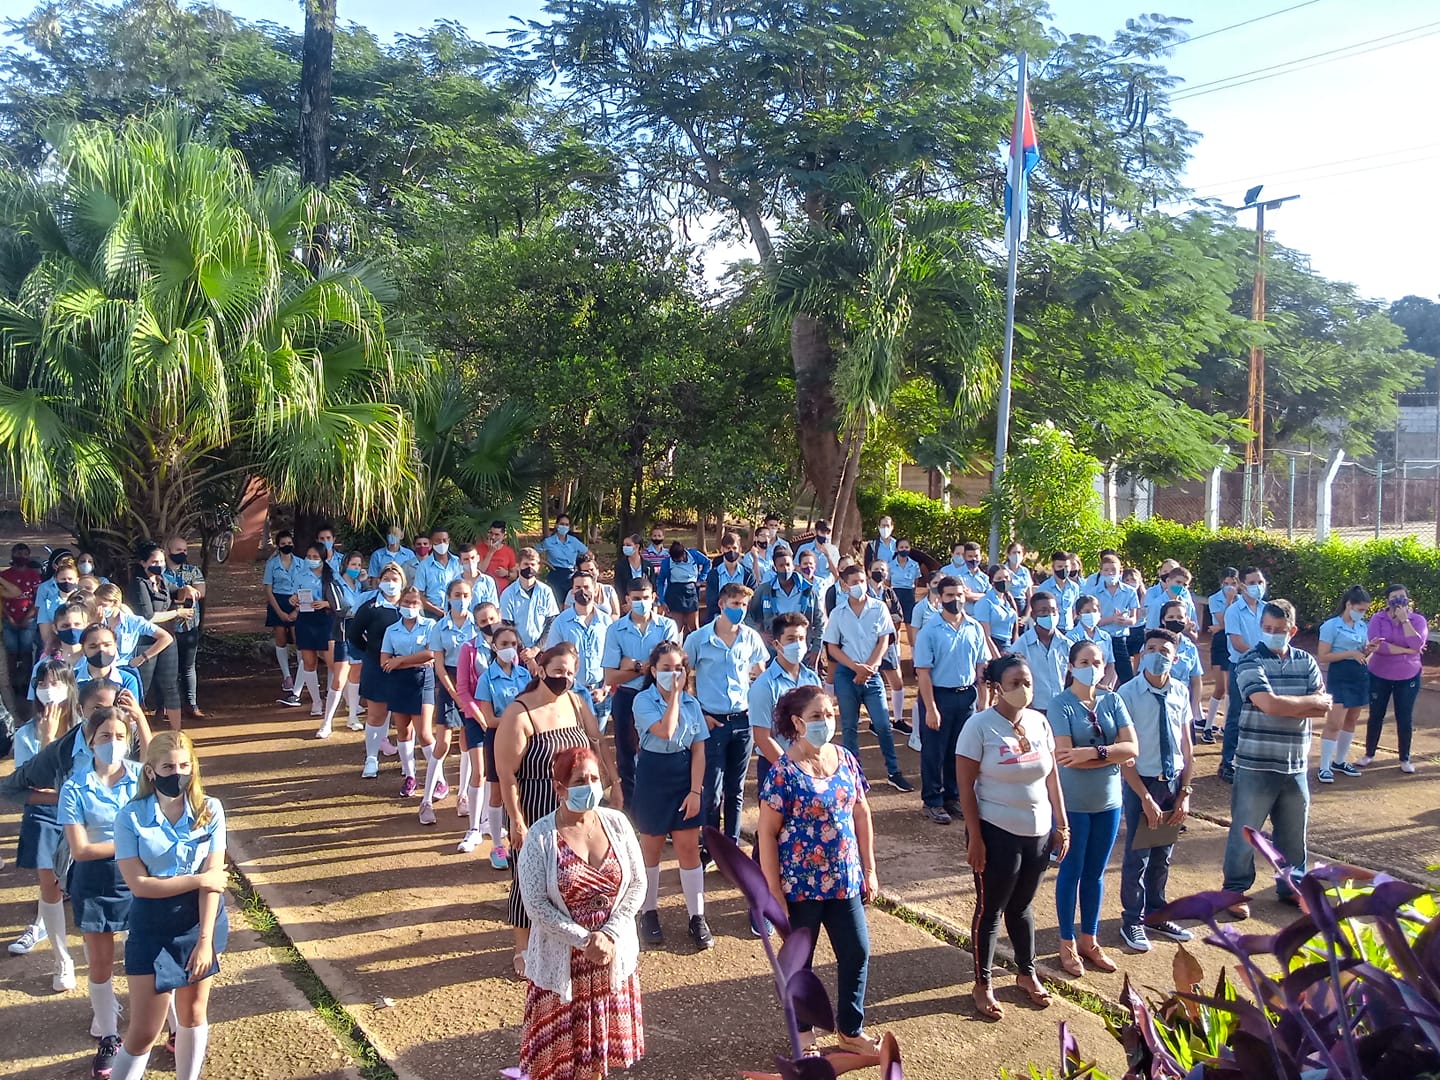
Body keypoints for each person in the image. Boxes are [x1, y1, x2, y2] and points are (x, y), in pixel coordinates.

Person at [758, 684, 880, 1055]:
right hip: (800, 887)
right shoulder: (784, 772)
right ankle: (804, 1035)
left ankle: (850, 1028)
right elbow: (766, 832)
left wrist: (869, 869)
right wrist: (774, 891)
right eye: (816, 717)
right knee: (801, 965)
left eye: (829, 714)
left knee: (857, 952)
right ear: (797, 722)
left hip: (844, 881)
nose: (825, 722)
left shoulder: (844, 758)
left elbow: (861, 812)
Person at [517, 745, 645, 1080]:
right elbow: (536, 904)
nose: (589, 786)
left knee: (597, 1064)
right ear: (559, 789)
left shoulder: (617, 824)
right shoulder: (540, 837)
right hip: (564, 965)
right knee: (560, 1064)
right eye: (579, 780)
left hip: (608, 958)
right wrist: (586, 939)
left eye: (593, 778)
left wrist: (610, 935)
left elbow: (637, 885)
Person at [108, 731, 229, 1080]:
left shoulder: (210, 810)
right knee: (145, 1030)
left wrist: (205, 941)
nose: (176, 773)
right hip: (153, 923)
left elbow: (214, 882)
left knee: (192, 1013)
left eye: (183, 765)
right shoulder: (129, 817)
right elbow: (139, 885)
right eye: (167, 766)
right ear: (150, 772)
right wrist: (198, 880)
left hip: (199, 921)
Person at [956, 654, 1069, 1021]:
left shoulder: (1039, 722)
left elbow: (1051, 777)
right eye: (1015, 683)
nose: (1024, 689)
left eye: (1028, 682)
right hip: (997, 831)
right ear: (997, 687)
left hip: (1037, 831)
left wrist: (1061, 825)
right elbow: (966, 788)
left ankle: (1026, 971)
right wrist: (975, 837)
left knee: (1022, 906)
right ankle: (983, 983)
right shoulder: (979, 727)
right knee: (991, 910)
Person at [494, 642, 612, 974]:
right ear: (542, 669)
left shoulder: (575, 703)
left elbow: (596, 742)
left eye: (570, 673)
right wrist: (516, 819)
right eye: (558, 671)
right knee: (527, 877)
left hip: (574, 806)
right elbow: (506, 772)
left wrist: (610, 781)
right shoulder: (520, 713)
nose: (564, 678)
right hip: (535, 803)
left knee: (570, 875)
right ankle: (522, 946)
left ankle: (567, 937)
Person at [1222, 600, 1329, 919]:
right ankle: (1234, 890)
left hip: (1295, 764)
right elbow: (1267, 704)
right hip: (1255, 763)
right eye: (1267, 629)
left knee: (1295, 834)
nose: (1272, 634)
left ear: (1292, 631)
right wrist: (1304, 703)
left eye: (1279, 631)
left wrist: (1288, 704)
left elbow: (1323, 707)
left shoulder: (1306, 661)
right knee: (1245, 831)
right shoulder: (1249, 661)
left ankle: (1293, 887)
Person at [59, 705, 148, 1077]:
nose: (113, 743)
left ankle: (167, 1024)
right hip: (95, 881)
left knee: (149, 957)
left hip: (141, 878)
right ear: (90, 740)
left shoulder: (144, 778)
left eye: (119, 737)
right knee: (100, 964)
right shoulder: (74, 786)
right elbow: (80, 850)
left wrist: (140, 718)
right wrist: (132, 841)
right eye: (105, 736)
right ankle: (109, 1036)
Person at [1051, 639, 1135, 977]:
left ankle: (1090, 938)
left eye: (1097, 661)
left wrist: (1093, 753)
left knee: (1096, 874)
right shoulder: (1061, 705)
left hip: (1109, 802)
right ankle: (1066, 942)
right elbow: (1066, 757)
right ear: (1071, 666)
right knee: (1071, 872)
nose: (1092, 667)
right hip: (1074, 804)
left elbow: (1133, 748)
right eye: (1085, 661)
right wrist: (1109, 753)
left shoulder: (1113, 700)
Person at [1114, 629, 1196, 953]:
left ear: (1175, 658)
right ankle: (1132, 920)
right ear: (1141, 654)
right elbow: (1124, 753)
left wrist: (1185, 791)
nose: (1157, 654)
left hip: (1172, 782)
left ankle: (1156, 912)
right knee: (1139, 856)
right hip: (1142, 783)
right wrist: (1145, 798)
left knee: (1163, 854)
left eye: (1165, 650)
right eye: (1151, 649)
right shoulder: (1128, 693)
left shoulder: (1180, 691)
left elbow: (1186, 745)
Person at [630, 641, 712, 949]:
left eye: (679, 668)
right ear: (653, 671)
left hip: (683, 773)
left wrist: (695, 790)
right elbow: (665, 730)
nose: (673, 674)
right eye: (666, 669)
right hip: (653, 775)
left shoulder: (692, 703)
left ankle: (697, 917)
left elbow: (700, 747)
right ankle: (648, 911)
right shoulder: (642, 700)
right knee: (650, 848)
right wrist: (675, 695)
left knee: (688, 848)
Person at [6, 660, 83, 984]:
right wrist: (47, 742)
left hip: (86, 815)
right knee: (49, 886)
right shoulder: (26, 735)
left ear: (69, 686)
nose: (48, 690)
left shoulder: (87, 728)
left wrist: (68, 794)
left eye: (55, 682)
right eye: (42, 683)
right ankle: (61, 959)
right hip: (45, 817)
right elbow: (27, 788)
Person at [685, 582, 767, 849]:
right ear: (721, 605)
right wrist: (699, 714)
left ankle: (730, 847)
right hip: (713, 722)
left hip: (743, 721)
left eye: (743, 605)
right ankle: (710, 846)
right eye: (735, 605)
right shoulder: (698, 639)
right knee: (713, 790)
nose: (739, 610)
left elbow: (760, 673)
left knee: (736, 789)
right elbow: (684, 678)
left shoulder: (750, 637)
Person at [822, 565, 913, 793]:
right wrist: (855, 667)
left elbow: (885, 639)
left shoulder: (879, 608)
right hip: (847, 674)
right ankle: (855, 774)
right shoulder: (838, 613)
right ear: (844, 585)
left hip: (872, 675)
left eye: (861, 580)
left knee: (883, 724)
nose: (859, 585)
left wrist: (871, 666)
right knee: (850, 727)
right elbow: (832, 647)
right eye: (853, 582)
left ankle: (894, 771)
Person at [912, 576, 987, 826]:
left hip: (966, 696)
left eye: (959, 595)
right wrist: (931, 708)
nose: (955, 600)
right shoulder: (929, 632)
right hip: (938, 695)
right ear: (939, 598)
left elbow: (981, 667)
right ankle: (932, 801)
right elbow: (923, 673)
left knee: (960, 750)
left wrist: (982, 702)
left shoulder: (974, 627)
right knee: (934, 751)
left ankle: (952, 797)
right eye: (949, 596)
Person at [602, 578, 682, 809]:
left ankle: (662, 806)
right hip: (626, 697)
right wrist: (644, 667)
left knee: (663, 750)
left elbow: (670, 667)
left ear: (653, 598)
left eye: (645, 598)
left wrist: (630, 665)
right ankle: (632, 811)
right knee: (627, 755)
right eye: (636, 599)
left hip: (659, 697)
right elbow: (610, 677)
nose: (641, 602)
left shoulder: (667, 626)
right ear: (627, 600)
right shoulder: (615, 629)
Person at [458, 623, 527, 862]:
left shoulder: (525, 675)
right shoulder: (486, 679)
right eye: (504, 644)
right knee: (496, 793)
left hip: (524, 740)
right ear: (494, 647)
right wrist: (516, 720)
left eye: (513, 644)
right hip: (497, 739)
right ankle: (497, 845)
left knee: (523, 791)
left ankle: (523, 842)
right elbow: (489, 719)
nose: (509, 648)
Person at [424, 578, 480, 825]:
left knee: (468, 742)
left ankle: (463, 794)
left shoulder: (476, 626)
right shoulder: (439, 628)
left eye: (466, 594)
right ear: (448, 597)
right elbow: (439, 665)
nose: (462, 599)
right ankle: (425, 800)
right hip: (450, 684)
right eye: (457, 594)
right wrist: (455, 693)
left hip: (473, 684)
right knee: (443, 743)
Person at [749, 614, 824, 799]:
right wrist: (790, 771)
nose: (797, 644)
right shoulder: (764, 686)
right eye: (791, 639)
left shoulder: (812, 679)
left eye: (801, 638)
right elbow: (762, 738)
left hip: (811, 764)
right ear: (776, 644)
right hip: (775, 766)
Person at [1359, 583, 1428, 773]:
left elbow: (1418, 642)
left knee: (1404, 717)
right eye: (1394, 597)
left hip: (1408, 675)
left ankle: (1404, 758)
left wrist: (1405, 621)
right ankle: (1369, 754)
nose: (1398, 601)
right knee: (1376, 715)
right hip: (1379, 673)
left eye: (1402, 596)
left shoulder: (1417, 620)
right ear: (1387, 600)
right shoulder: (1378, 618)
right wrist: (1408, 650)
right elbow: (1380, 646)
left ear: (1408, 599)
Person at [348, 562, 404, 780]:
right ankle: (371, 758)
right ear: (380, 581)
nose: (391, 584)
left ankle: (407, 764)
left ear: (403, 582)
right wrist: (372, 653)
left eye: (395, 579)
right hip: (376, 667)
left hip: (406, 669)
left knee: (404, 717)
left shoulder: (410, 604)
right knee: (376, 714)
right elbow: (354, 635)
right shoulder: (370, 607)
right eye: (387, 579)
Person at [380, 586, 437, 803]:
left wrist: (400, 660)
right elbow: (384, 662)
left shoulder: (430, 625)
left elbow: (431, 653)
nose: (410, 607)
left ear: (421, 605)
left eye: (414, 603)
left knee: (424, 733)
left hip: (423, 681)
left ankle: (438, 778)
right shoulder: (392, 630)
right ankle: (410, 775)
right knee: (403, 731)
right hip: (399, 682)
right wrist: (414, 660)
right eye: (406, 603)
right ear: (399, 604)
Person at [1313, 586, 1373, 783]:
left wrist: (1369, 649)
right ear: (1349, 604)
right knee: (1334, 722)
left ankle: (1340, 761)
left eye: (1365, 611)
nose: (1362, 614)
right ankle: (1324, 766)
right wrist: (1350, 653)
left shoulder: (1362, 626)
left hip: (1359, 675)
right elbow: (1323, 657)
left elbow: (1362, 654)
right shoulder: (1331, 626)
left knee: (1352, 719)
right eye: (1360, 609)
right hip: (1340, 675)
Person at [126, 544, 186, 730]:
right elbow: (149, 616)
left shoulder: (161, 580)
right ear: (143, 563)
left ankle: (177, 732)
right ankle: (136, 732)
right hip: (146, 643)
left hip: (168, 640)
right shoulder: (139, 584)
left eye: (161, 561)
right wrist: (178, 613)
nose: (158, 565)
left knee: (170, 685)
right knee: (142, 687)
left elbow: (177, 591)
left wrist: (188, 590)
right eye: (154, 562)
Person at [545, 570, 614, 731]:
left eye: (586, 587)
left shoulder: (606, 621)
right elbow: (551, 658)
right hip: (572, 691)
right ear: (572, 591)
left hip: (600, 692)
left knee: (598, 743)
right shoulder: (560, 622)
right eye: (577, 587)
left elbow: (613, 658)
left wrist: (604, 689)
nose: (582, 591)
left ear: (595, 589)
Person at [279, 542, 341, 716]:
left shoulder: (332, 575)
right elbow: (295, 595)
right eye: (309, 557)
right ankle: (316, 702)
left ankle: (336, 697)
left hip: (326, 619)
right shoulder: (300, 575)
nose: (311, 560)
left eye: (315, 557)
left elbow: (341, 600)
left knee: (332, 662)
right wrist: (294, 600)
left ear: (323, 559)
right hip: (306, 620)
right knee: (308, 662)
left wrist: (326, 603)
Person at [1219, 567, 1269, 780]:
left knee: (1263, 713)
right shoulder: (1234, 611)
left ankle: (1255, 759)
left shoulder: (1268, 609)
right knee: (1236, 715)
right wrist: (1260, 654)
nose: (1258, 586)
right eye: (1252, 582)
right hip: (1241, 667)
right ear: (1242, 585)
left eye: (1260, 581)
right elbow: (1237, 642)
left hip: (1265, 667)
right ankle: (1227, 761)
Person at [317, 552, 370, 738]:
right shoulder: (334, 584)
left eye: (359, 565)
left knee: (356, 676)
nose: (356, 568)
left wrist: (364, 584)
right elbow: (340, 609)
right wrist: (360, 610)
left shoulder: (360, 586)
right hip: (344, 635)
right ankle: (326, 723)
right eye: (353, 564)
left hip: (360, 636)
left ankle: (353, 716)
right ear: (345, 565)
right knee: (339, 679)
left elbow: (368, 603)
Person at [864, 560, 912, 737]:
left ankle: (898, 719)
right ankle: (874, 721)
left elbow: (899, 615)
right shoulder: (864, 592)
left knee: (897, 682)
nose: (879, 573)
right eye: (875, 569)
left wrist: (885, 620)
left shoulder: (890, 593)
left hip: (889, 642)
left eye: (882, 570)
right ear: (868, 572)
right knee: (871, 683)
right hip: (867, 645)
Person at [160, 537, 206, 721]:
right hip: (165, 628)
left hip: (188, 626)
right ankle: (163, 706)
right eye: (179, 550)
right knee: (165, 669)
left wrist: (177, 596)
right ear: (167, 550)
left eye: (185, 550)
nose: (183, 553)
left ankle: (191, 704)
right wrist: (183, 594)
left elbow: (200, 592)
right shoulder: (159, 572)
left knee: (188, 667)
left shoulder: (193, 571)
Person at [746, 546, 820, 655]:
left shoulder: (807, 591)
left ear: (794, 566)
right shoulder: (765, 590)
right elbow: (748, 616)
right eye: (781, 565)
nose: (786, 569)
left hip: (801, 649)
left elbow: (819, 621)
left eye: (788, 565)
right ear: (774, 567)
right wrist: (759, 633)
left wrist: (816, 648)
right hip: (772, 650)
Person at [1080, 552, 1140, 685]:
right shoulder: (1094, 593)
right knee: (1098, 674)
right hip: (1100, 638)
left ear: (1120, 571)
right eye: (1106, 570)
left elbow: (1134, 618)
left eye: (1114, 570)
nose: (1110, 573)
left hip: (1119, 638)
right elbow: (1093, 621)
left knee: (1126, 676)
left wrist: (1126, 621)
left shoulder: (1129, 592)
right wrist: (1112, 619)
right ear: (1101, 572)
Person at [1010, 592, 1069, 715]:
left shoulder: (1068, 645)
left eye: (1053, 611)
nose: (1050, 615)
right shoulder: (1021, 647)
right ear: (1033, 615)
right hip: (1034, 709)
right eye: (1043, 611)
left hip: (1063, 708)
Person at [1201, 568, 1239, 742]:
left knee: (1232, 687)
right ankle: (1208, 727)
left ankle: (1226, 726)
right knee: (1220, 687)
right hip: (1221, 642)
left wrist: (1221, 626)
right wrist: (1229, 601)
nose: (1230, 587)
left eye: (1233, 583)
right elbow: (1226, 620)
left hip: (1235, 641)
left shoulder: (1244, 599)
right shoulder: (1214, 598)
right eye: (1226, 583)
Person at [499, 548, 561, 655]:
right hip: (517, 651)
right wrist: (524, 651)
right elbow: (507, 625)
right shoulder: (508, 594)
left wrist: (536, 649)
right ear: (518, 566)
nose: (529, 568)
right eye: (526, 564)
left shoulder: (546, 591)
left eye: (533, 564)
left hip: (542, 651)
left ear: (538, 567)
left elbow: (551, 622)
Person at [262, 530, 302, 693]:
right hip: (277, 601)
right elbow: (268, 589)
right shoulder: (272, 564)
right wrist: (278, 611)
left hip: (297, 601)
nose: (287, 546)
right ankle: (287, 677)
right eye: (283, 544)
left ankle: (302, 674)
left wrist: (297, 611)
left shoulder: (301, 563)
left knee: (299, 640)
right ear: (278, 546)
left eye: (289, 543)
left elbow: (306, 586)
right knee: (280, 639)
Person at [2, 541, 41, 683]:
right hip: (8, 619)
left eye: (25, 554)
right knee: (11, 651)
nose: (22, 556)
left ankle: (27, 681)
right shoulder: (5, 575)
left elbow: (38, 599)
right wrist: (9, 617)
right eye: (19, 553)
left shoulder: (34, 575)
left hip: (29, 620)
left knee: (26, 650)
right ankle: (11, 682)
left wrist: (28, 617)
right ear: (12, 555)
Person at [656, 540, 709, 636]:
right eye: (675, 560)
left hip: (691, 593)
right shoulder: (667, 563)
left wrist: (701, 578)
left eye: (679, 559)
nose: (677, 561)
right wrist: (662, 601)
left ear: (684, 553)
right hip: (674, 594)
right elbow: (660, 581)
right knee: (676, 629)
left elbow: (707, 563)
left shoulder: (694, 555)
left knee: (694, 629)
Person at [703, 532, 754, 626]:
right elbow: (711, 602)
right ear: (722, 549)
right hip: (719, 615)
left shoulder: (748, 574)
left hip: (744, 616)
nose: (731, 551)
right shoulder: (714, 574)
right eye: (728, 548)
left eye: (734, 548)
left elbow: (752, 599)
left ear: (740, 549)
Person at [538, 513, 590, 603]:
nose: (564, 526)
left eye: (566, 525)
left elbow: (589, 553)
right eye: (562, 524)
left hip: (571, 574)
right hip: (555, 574)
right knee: (556, 603)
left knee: (572, 603)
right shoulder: (549, 542)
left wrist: (582, 567)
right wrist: (545, 563)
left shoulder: (573, 541)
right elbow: (533, 554)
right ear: (556, 525)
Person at [1067, 595, 1116, 687]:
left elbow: (1110, 664)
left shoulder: (1105, 637)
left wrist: (1104, 685)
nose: (1091, 614)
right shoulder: (1071, 637)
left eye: (1094, 611)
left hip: (1103, 684)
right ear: (1078, 614)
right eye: (1087, 611)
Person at [414, 527, 462, 620]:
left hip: (457, 612)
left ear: (449, 541)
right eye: (438, 541)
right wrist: (438, 611)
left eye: (444, 540)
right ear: (431, 542)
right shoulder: (424, 566)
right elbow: (418, 594)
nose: (442, 544)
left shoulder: (458, 562)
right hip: (432, 614)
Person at [36, 554, 81, 648]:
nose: (67, 582)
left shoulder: (85, 601)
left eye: (70, 579)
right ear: (56, 580)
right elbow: (46, 637)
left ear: (77, 580)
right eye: (63, 579)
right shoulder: (47, 605)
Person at [974, 564, 1020, 653]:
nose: (1004, 581)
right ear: (992, 582)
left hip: (1009, 646)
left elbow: (1015, 632)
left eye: (1006, 577)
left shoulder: (1009, 601)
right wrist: (997, 657)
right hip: (994, 646)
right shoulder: (985, 602)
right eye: (999, 578)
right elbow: (985, 636)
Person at [1033, 551, 1080, 633]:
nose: (1063, 569)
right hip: (1052, 630)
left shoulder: (1074, 587)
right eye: (1060, 566)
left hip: (1069, 629)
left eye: (1066, 566)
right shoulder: (1044, 588)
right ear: (1053, 567)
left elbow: (1074, 609)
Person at [476, 521, 518, 596]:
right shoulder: (479, 549)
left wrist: (506, 573)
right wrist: (490, 552)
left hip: (502, 592)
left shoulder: (508, 551)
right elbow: (480, 570)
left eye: (497, 535)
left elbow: (514, 575)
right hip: (483, 591)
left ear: (503, 536)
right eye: (491, 533)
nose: (493, 537)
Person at [455, 544, 501, 611]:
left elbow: (494, 607)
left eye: (472, 558)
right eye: (466, 559)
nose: (470, 562)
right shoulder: (454, 583)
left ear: (478, 558)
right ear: (460, 562)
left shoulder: (488, 581)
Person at [794, 519, 840, 584]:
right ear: (816, 532)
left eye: (828, 533)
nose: (825, 536)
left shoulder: (833, 550)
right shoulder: (804, 548)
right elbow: (796, 567)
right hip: (807, 584)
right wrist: (808, 577)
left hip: (825, 586)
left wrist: (828, 556)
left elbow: (836, 574)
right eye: (822, 532)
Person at [615, 532, 656, 604]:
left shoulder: (648, 566)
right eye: (624, 545)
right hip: (627, 603)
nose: (625, 547)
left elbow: (653, 586)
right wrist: (625, 604)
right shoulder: (620, 566)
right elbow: (619, 587)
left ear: (637, 546)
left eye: (628, 545)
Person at [1003, 542, 1034, 616]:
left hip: (1023, 606)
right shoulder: (1003, 570)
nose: (1017, 555)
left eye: (1019, 552)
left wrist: (1026, 615)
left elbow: (1029, 595)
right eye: (1014, 552)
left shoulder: (1025, 571)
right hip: (1008, 605)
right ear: (1008, 554)